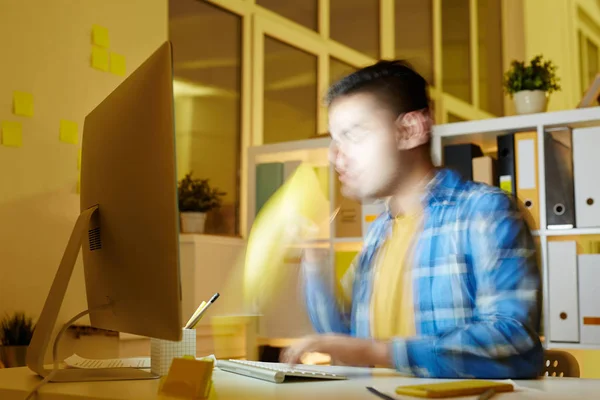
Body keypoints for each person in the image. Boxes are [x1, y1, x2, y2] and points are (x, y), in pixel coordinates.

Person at [280, 60, 543, 378]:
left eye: (353, 134)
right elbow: (346, 342)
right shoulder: (380, 232)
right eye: (334, 140)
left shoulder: (485, 213)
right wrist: (314, 255)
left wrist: (379, 352)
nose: (334, 156)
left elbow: (513, 341)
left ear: (410, 130)